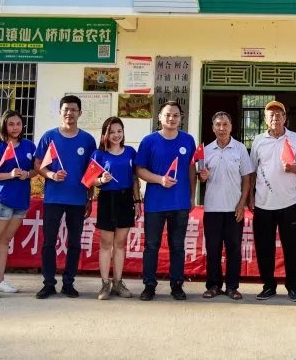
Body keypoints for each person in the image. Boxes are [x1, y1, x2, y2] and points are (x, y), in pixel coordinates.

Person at [34, 95, 97, 299]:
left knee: (75, 243)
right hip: (53, 198)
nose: (69, 113)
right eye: (66, 109)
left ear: (80, 113)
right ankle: (48, 283)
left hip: (77, 199)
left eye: (73, 110)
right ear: (60, 112)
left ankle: (68, 283)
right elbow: (38, 164)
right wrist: (51, 174)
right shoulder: (49, 137)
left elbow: (91, 171)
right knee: (49, 242)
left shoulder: (87, 140)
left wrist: (89, 198)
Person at [134, 101, 196, 301]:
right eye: (167, 115)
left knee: (177, 246)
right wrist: (159, 179)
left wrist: (192, 196)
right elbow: (139, 170)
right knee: (151, 246)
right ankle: (149, 286)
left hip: (180, 203)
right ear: (159, 117)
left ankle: (177, 285)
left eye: (176, 115)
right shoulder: (149, 141)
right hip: (155, 203)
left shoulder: (188, 140)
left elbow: (191, 169)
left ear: (181, 118)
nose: (171, 118)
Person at [248, 100, 296, 302]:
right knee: (264, 248)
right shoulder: (258, 141)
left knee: (291, 247)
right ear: (265, 119)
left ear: (285, 118)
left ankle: (293, 287)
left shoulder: (294, 138)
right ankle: (268, 285)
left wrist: (292, 168)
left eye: (279, 114)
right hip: (263, 203)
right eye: (271, 115)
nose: (275, 118)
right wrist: (250, 198)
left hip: (289, 202)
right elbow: (252, 172)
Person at [0, 109, 35, 297]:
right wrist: (9, 175)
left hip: (21, 200)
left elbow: (37, 169)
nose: (15, 127)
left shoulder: (29, 146)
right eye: (11, 124)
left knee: (5, 240)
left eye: (18, 124)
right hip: (1, 200)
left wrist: (27, 174)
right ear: (4, 126)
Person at [200, 111, 253, 300]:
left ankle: (232, 287)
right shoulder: (205, 150)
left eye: (225, 124)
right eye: (218, 125)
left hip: (234, 209)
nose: (221, 128)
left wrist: (242, 204)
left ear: (231, 127)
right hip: (212, 208)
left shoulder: (240, 149)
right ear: (213, 128)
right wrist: (202, 176)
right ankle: (213, 285)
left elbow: (246, 179)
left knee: (234, 249)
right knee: (213, 249)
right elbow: (201, 176)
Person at [91, 116, 140, 301]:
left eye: (119, 131)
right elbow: (89, 180)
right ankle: (105, 283)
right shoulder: (99, 154)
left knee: (120, 244)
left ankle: (118, 282)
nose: (116, 135)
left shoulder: (130, 152)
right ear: (105, 134)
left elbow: (135, 178)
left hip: (125, 199)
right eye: (112, 132)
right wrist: (101, 180)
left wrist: (137, 201)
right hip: (106, 199)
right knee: (106, 244)